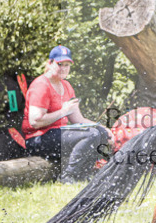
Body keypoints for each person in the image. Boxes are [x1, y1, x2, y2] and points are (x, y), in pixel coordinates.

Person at [22, 45, 113, 184]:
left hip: (57, 135)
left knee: (99, 132)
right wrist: (62, 112)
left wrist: (103, 128)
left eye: (67, 65)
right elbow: (35, 121)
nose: (64, 68)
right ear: (50, 63)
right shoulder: (41, 85)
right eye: (60, 64)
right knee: (91, 135)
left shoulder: (67, 86)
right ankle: (69, 176)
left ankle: (84, 174)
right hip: (38, 139)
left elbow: (78, 119)